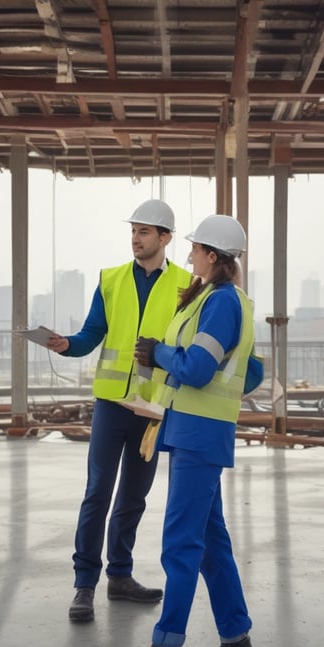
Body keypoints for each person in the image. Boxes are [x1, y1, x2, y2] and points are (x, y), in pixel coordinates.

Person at [116, 214, 263, 647]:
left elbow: (198, 370)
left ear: (213, 257)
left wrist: (159, 353)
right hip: (193, 431)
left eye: (196, 248)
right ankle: (236, 640)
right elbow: (251, 372)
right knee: (211, 544)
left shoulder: (220, 303)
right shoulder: (214, 300)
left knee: (181, 544)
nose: (190, 254)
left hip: (200, 435)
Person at [46, 199, 193, 623]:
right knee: (97, 493)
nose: (135, 238)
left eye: (145, 232)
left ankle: (121, 577)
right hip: (112, 403)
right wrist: (67, 345)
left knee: (133, 497)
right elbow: (93, 333)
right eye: (133, 231)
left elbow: (185, 344)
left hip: (151, 409)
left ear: (165, 238)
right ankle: (84, 585)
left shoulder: (186, 284)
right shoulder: (110, 280)